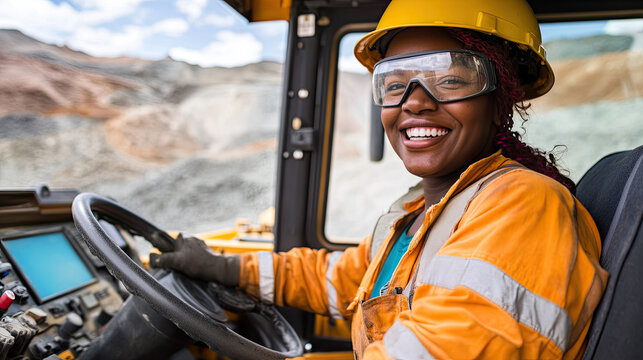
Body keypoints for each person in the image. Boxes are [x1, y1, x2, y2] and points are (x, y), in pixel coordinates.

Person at [150, 0, 608, 358]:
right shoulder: (418, 213)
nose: (414, 102)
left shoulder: (524, 203)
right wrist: (226, 268)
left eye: (449, 79)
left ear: (501, 94)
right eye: (394, 83)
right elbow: (342, 278)